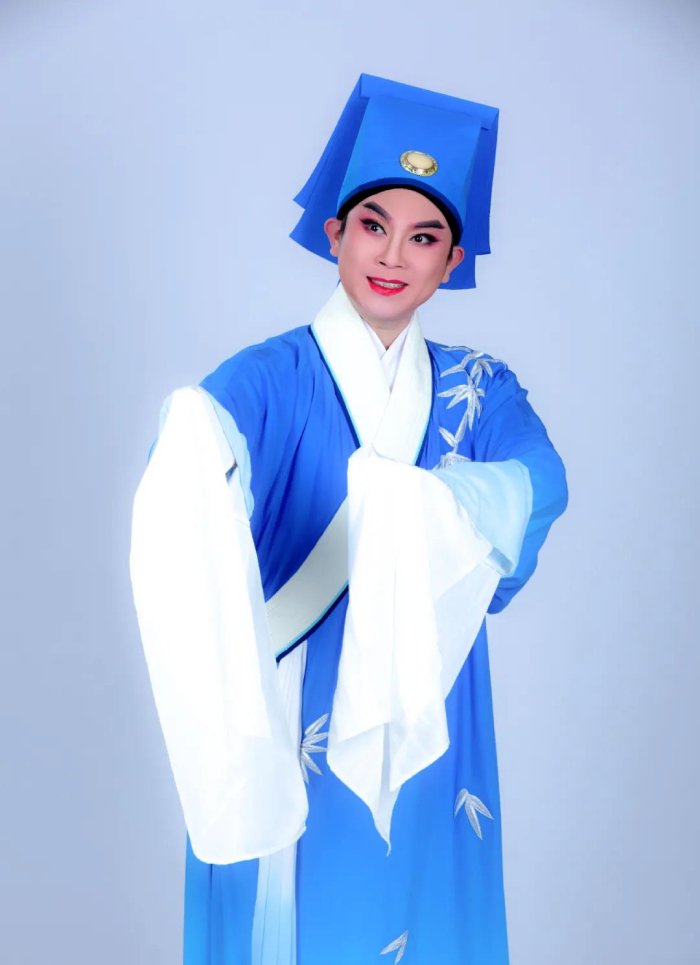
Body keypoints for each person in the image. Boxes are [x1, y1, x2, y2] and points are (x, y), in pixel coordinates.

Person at [130, 72, 569, 965]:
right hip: (289, 714)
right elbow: (197, 456)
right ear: (335, 233)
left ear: (452, 261)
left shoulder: (479, 389)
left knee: (416, 900)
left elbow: (538, 481)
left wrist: (420, 507)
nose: (393, 255)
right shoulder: (272, 376)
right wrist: (191, 439)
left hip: (426, 717)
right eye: (373, 225)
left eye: (424, 237)